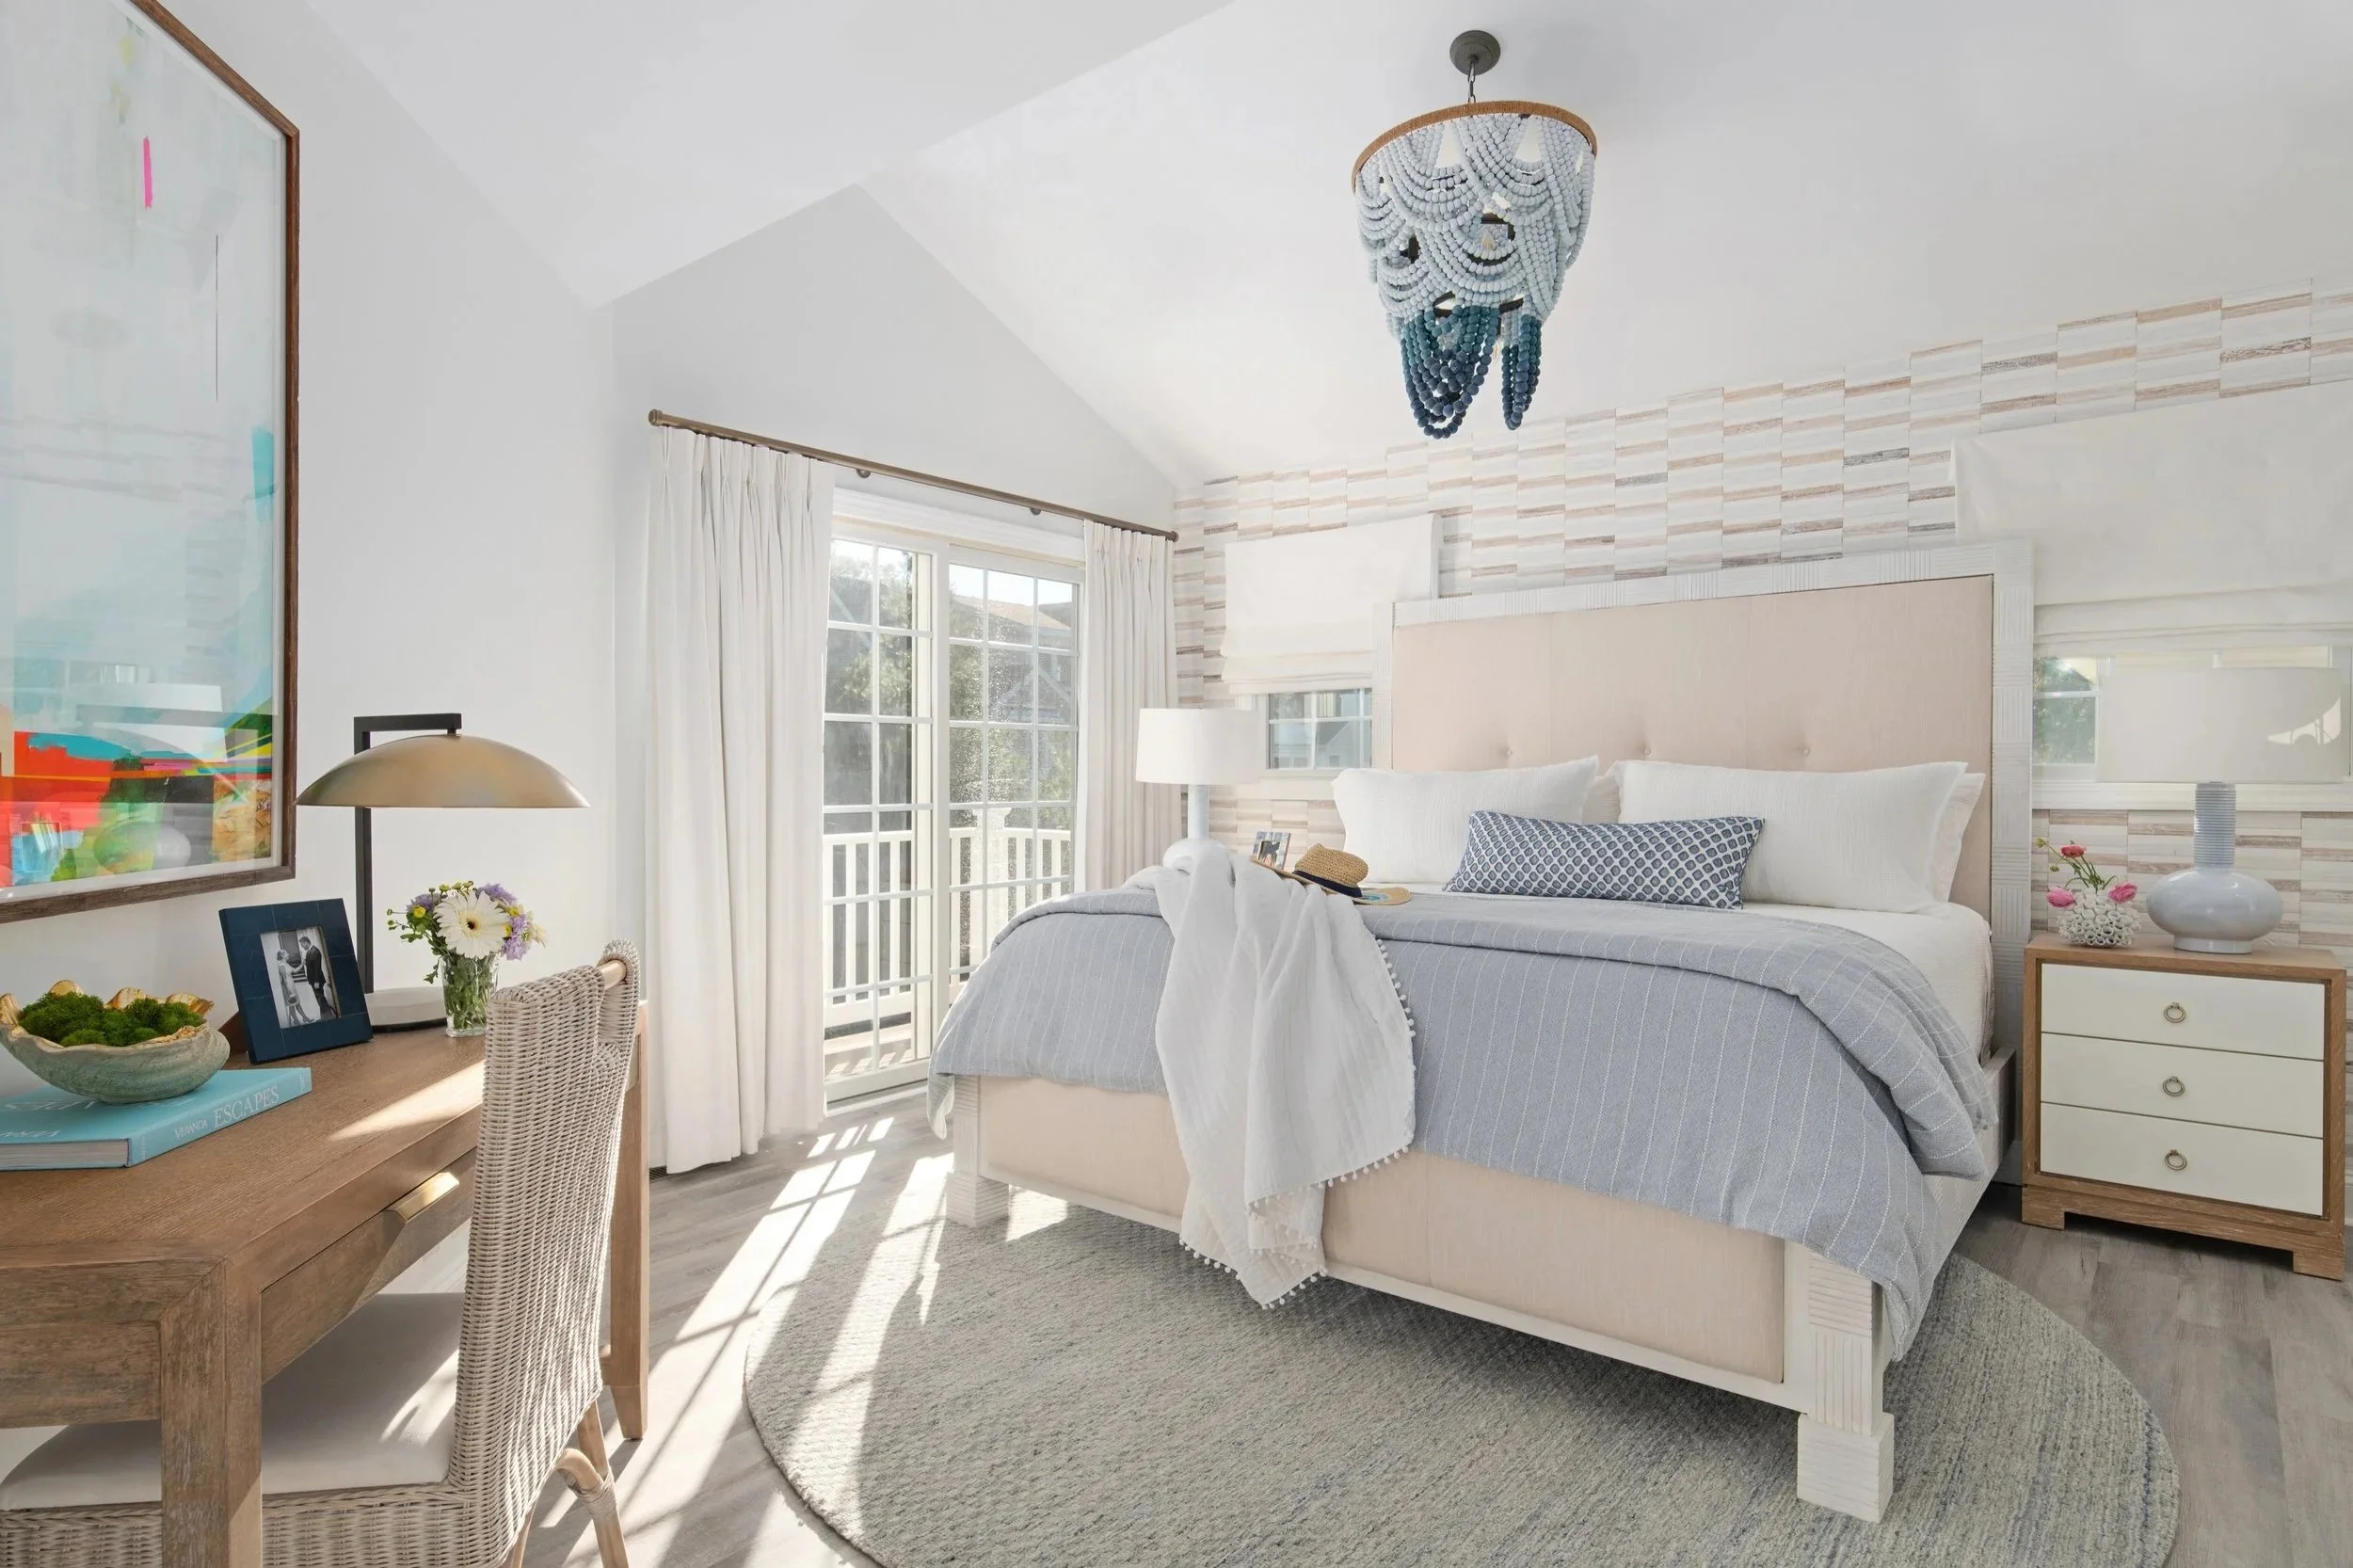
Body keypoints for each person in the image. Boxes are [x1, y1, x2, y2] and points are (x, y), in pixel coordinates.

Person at [298, 934, 338, 1019]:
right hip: (313, 980)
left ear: (306, 942)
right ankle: (324, 1017)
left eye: (302, 945)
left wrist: (316, 981)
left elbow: (317, 968)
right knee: (319, 999)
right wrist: (305, 962)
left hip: (317, 981)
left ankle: (328, 1017)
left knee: (321, 999)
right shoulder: (310, 951)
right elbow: (312, 966)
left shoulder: (315, 951)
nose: (302, 947)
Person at [274, 944, 312, 1027]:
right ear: (282, 956)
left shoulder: (286, 964)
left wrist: (302, 964)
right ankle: (296, 1021)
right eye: (286, 953)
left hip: (292, 986)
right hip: (288, 988)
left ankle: (305, 1018)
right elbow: (284, 980)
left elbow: (294, 971)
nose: (288, 954)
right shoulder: (281, 966)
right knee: (292, 1006)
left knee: (298, 1003)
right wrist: (290, 992)